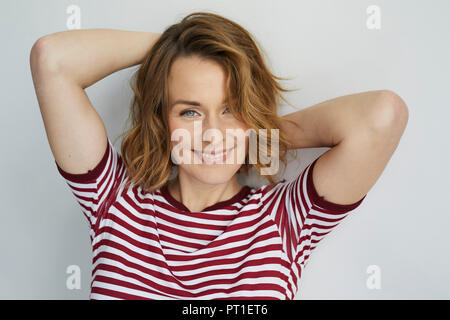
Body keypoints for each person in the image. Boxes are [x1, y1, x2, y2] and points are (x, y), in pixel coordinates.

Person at [30, 12, 408, 300]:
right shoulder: (115, 200)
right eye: (190, 111)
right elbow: (52, 60)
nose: (212, 134)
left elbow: (382, 115)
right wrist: (172, 48)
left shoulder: (282, 220)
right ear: (162, 121)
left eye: (230, 109)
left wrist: (255, 133)